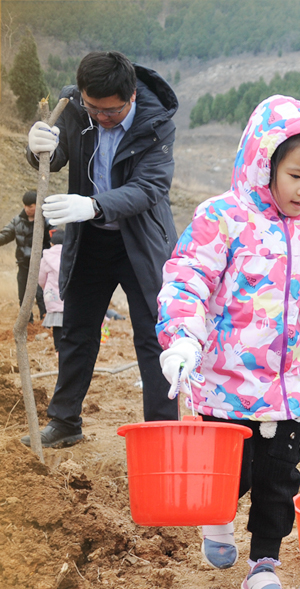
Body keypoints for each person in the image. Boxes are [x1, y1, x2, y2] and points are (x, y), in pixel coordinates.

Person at [155, 95, 300, 589]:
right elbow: (188, 277)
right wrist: (183, 338)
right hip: (226, 379)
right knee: (229, 474)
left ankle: (263, 565)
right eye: (294, 175)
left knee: (278, 477)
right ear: (265, 165)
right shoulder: (223, 217)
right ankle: (216, 519)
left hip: (289, 384)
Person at [24, 50, 179, 448]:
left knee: (153, 336)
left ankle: (161, 434)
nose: (99, 117)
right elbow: (53, 158)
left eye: (109, 111)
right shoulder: (75, 106)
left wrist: (94, 204)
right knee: (77, 330)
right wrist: (37, 144)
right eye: (92, 107)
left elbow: (150, 188)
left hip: (140, 242)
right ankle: (64, 422)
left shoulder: (155, 120)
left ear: (130, 96)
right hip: (90, 240)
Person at [0, 190, 50, 321]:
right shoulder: (18, 221)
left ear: (37, 205)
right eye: (25, 206)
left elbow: (54, 239)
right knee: (23, 296)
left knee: (41, 295)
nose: (27, 209)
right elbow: (5, 235)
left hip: (41, 265)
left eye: (31, 206)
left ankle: (46, 321)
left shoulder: (46, 221)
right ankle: (27, 322)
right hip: (23, 264)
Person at [38, 228, 64, 352]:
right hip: (68, 296)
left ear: (51, 243)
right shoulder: (70, 255)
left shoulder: (46, 258)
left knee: (57, 323)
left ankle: (58, 348)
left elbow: (41, 278)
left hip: (52, 295)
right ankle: (68, 347)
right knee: (69, 321)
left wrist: (45, 288)